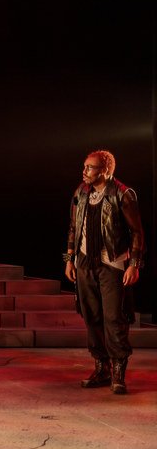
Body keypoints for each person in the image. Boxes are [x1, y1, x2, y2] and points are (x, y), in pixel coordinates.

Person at [64, 150, 145, 394]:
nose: (85, 171)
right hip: (84, 263)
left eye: (91, 167)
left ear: (105, 170)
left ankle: (118, 373)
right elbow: (73, 227)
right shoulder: (81, 192)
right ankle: (102, 368)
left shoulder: (122, 193)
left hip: (112, 264)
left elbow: (137, 232)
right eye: (85, 166)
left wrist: (134, 265)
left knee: (114, 318)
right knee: (91, 316)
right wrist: (69, 259)